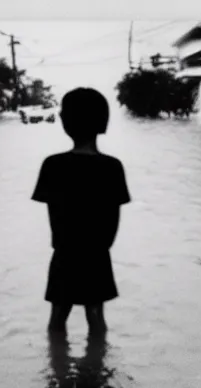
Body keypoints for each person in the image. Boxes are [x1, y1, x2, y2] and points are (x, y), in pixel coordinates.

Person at [32, 87, 131, 335]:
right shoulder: (112, 167)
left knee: (57, 317)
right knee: (96, 316)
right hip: (97, 254)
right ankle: (97, 368)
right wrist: (100, 248)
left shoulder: (52, 164)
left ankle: (57, 369)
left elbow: (53, 215)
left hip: (64, 252)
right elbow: (113, 221)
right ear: (103, 122)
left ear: (66, 122)